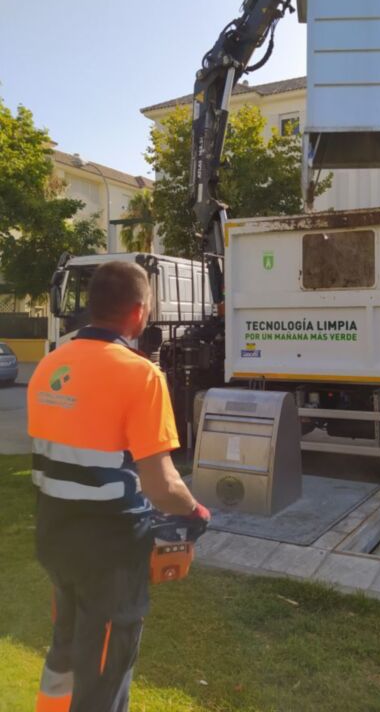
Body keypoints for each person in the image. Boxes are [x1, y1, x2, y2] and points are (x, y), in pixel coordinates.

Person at [28, 260, 210, 712]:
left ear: (91, 307)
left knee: (65, 654)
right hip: (107, 550)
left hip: (54, 536)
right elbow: (162, 484)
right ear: (138, 311)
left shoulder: (50, 365)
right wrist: (194, 513)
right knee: (105, 671)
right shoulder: (139, 374)